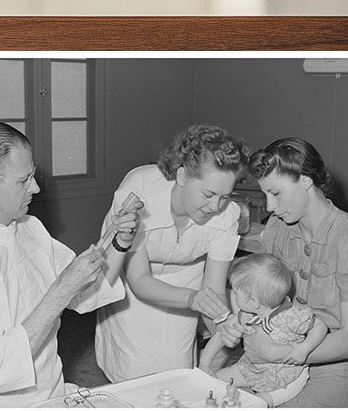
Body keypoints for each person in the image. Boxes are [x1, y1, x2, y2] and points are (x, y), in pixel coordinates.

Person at [0, 120, 140, 408]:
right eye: (24, 180)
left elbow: (89, 290)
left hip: (49, 393)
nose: (36, 187)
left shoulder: (29, 227)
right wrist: (60, 291)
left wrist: (118, 243)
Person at [94, 124, 248, 382]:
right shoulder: (138, 194)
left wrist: (221, 323)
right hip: (135, 293)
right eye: (209, 194)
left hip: (188, 283)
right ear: (182, 177)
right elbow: (139, 279)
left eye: (225, 196)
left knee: (178, 373)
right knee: (132, 373)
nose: (215, 207)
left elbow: (214, 289)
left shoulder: (227, 214)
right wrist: (192, 299)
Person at [246, 138, 348, 409]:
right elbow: (265, 303)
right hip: (275, 359)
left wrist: (279, 354)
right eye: (265, 195)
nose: (269, 206)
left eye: (276, 193)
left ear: (306, 181)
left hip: (331, 367)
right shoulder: (276, 229)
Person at [199, 253, 327, 406]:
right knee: (213, 380)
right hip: (252, 369)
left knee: (255, 403)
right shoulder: (246, 315)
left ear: (254, 301)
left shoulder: (292, 316)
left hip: (287, 378)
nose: (232, 294)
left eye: (235, 292)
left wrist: (305, 348)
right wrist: (205, 364)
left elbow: (320, 326)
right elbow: (222, 335)